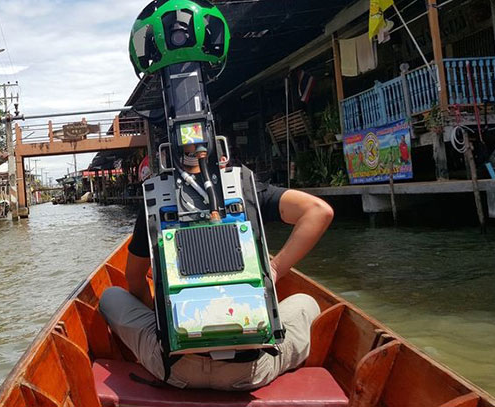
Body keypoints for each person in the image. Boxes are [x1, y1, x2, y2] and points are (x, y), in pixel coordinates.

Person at [98, 163, 334, 391]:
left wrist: (161, 323)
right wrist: (274, 268)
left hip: (174, 370)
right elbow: (319, 211)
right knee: (306, 303)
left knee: (110, 296)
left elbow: (135, 280)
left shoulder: (156, 198)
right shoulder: (245, 188)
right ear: (222, 158)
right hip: (250, 372)